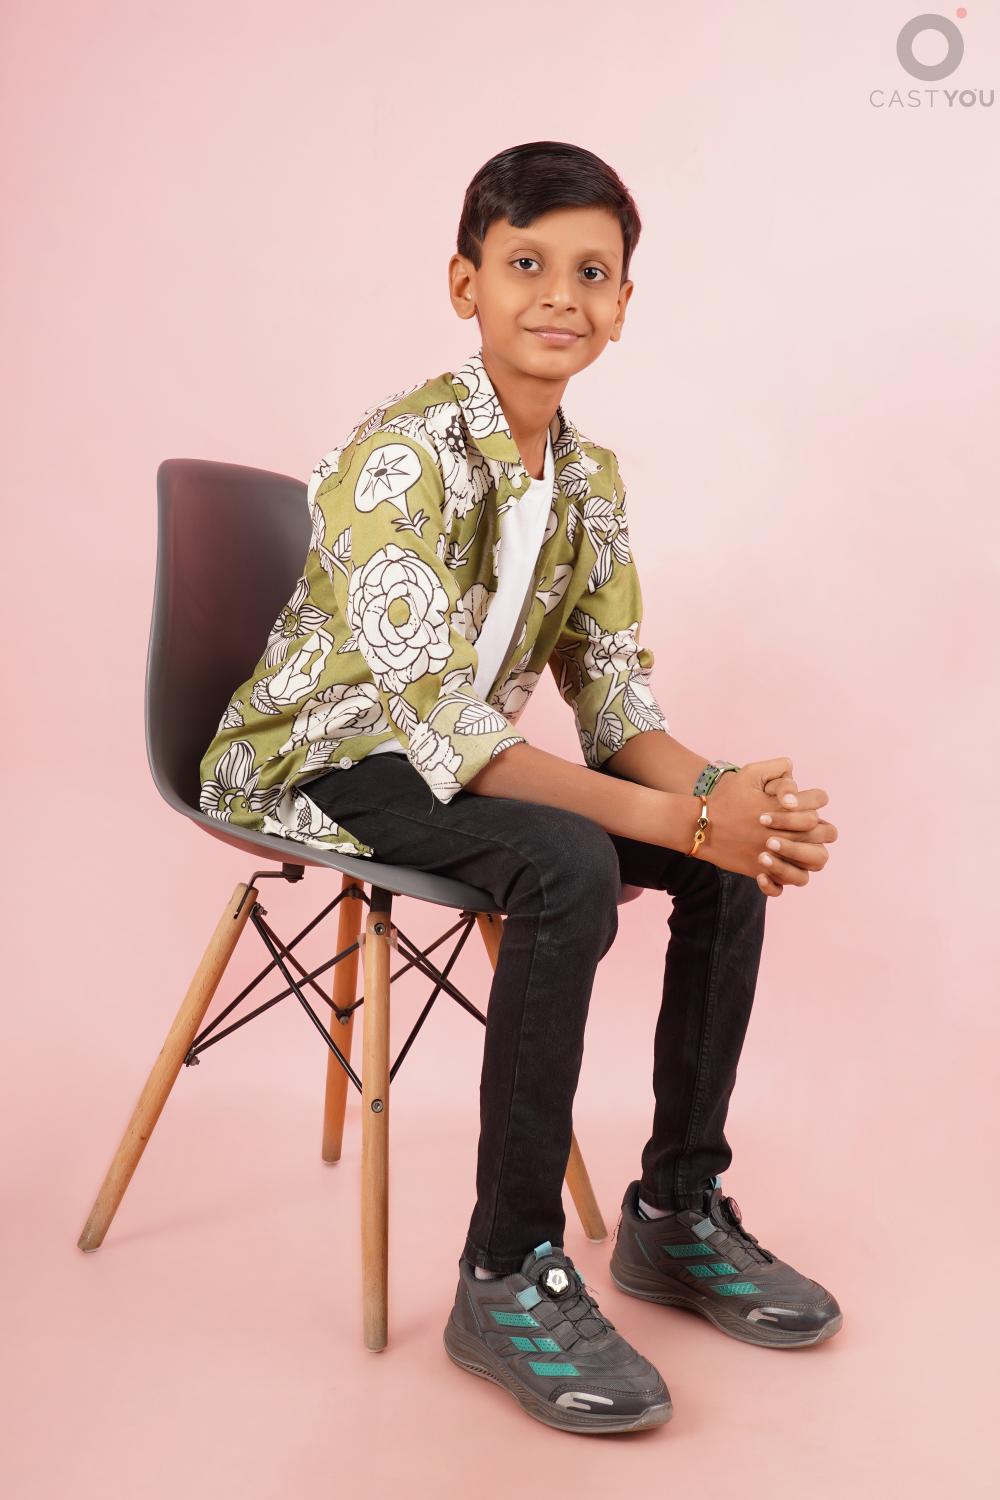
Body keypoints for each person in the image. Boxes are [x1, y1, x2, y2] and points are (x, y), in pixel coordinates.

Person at [199, 139, 841, 1436]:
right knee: (572, 861)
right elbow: (448, 731)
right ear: (466, 285)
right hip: (322, 756)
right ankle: (504, 1272)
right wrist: (682, 816)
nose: (560, 295)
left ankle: (675, 1210)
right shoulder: (400, 453)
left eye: (591, 273)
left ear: (624, 305)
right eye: (526, 264)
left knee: (718, 859)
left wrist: (728, 802)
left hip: (446, 760)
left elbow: (615, 706)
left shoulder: (591, 483)